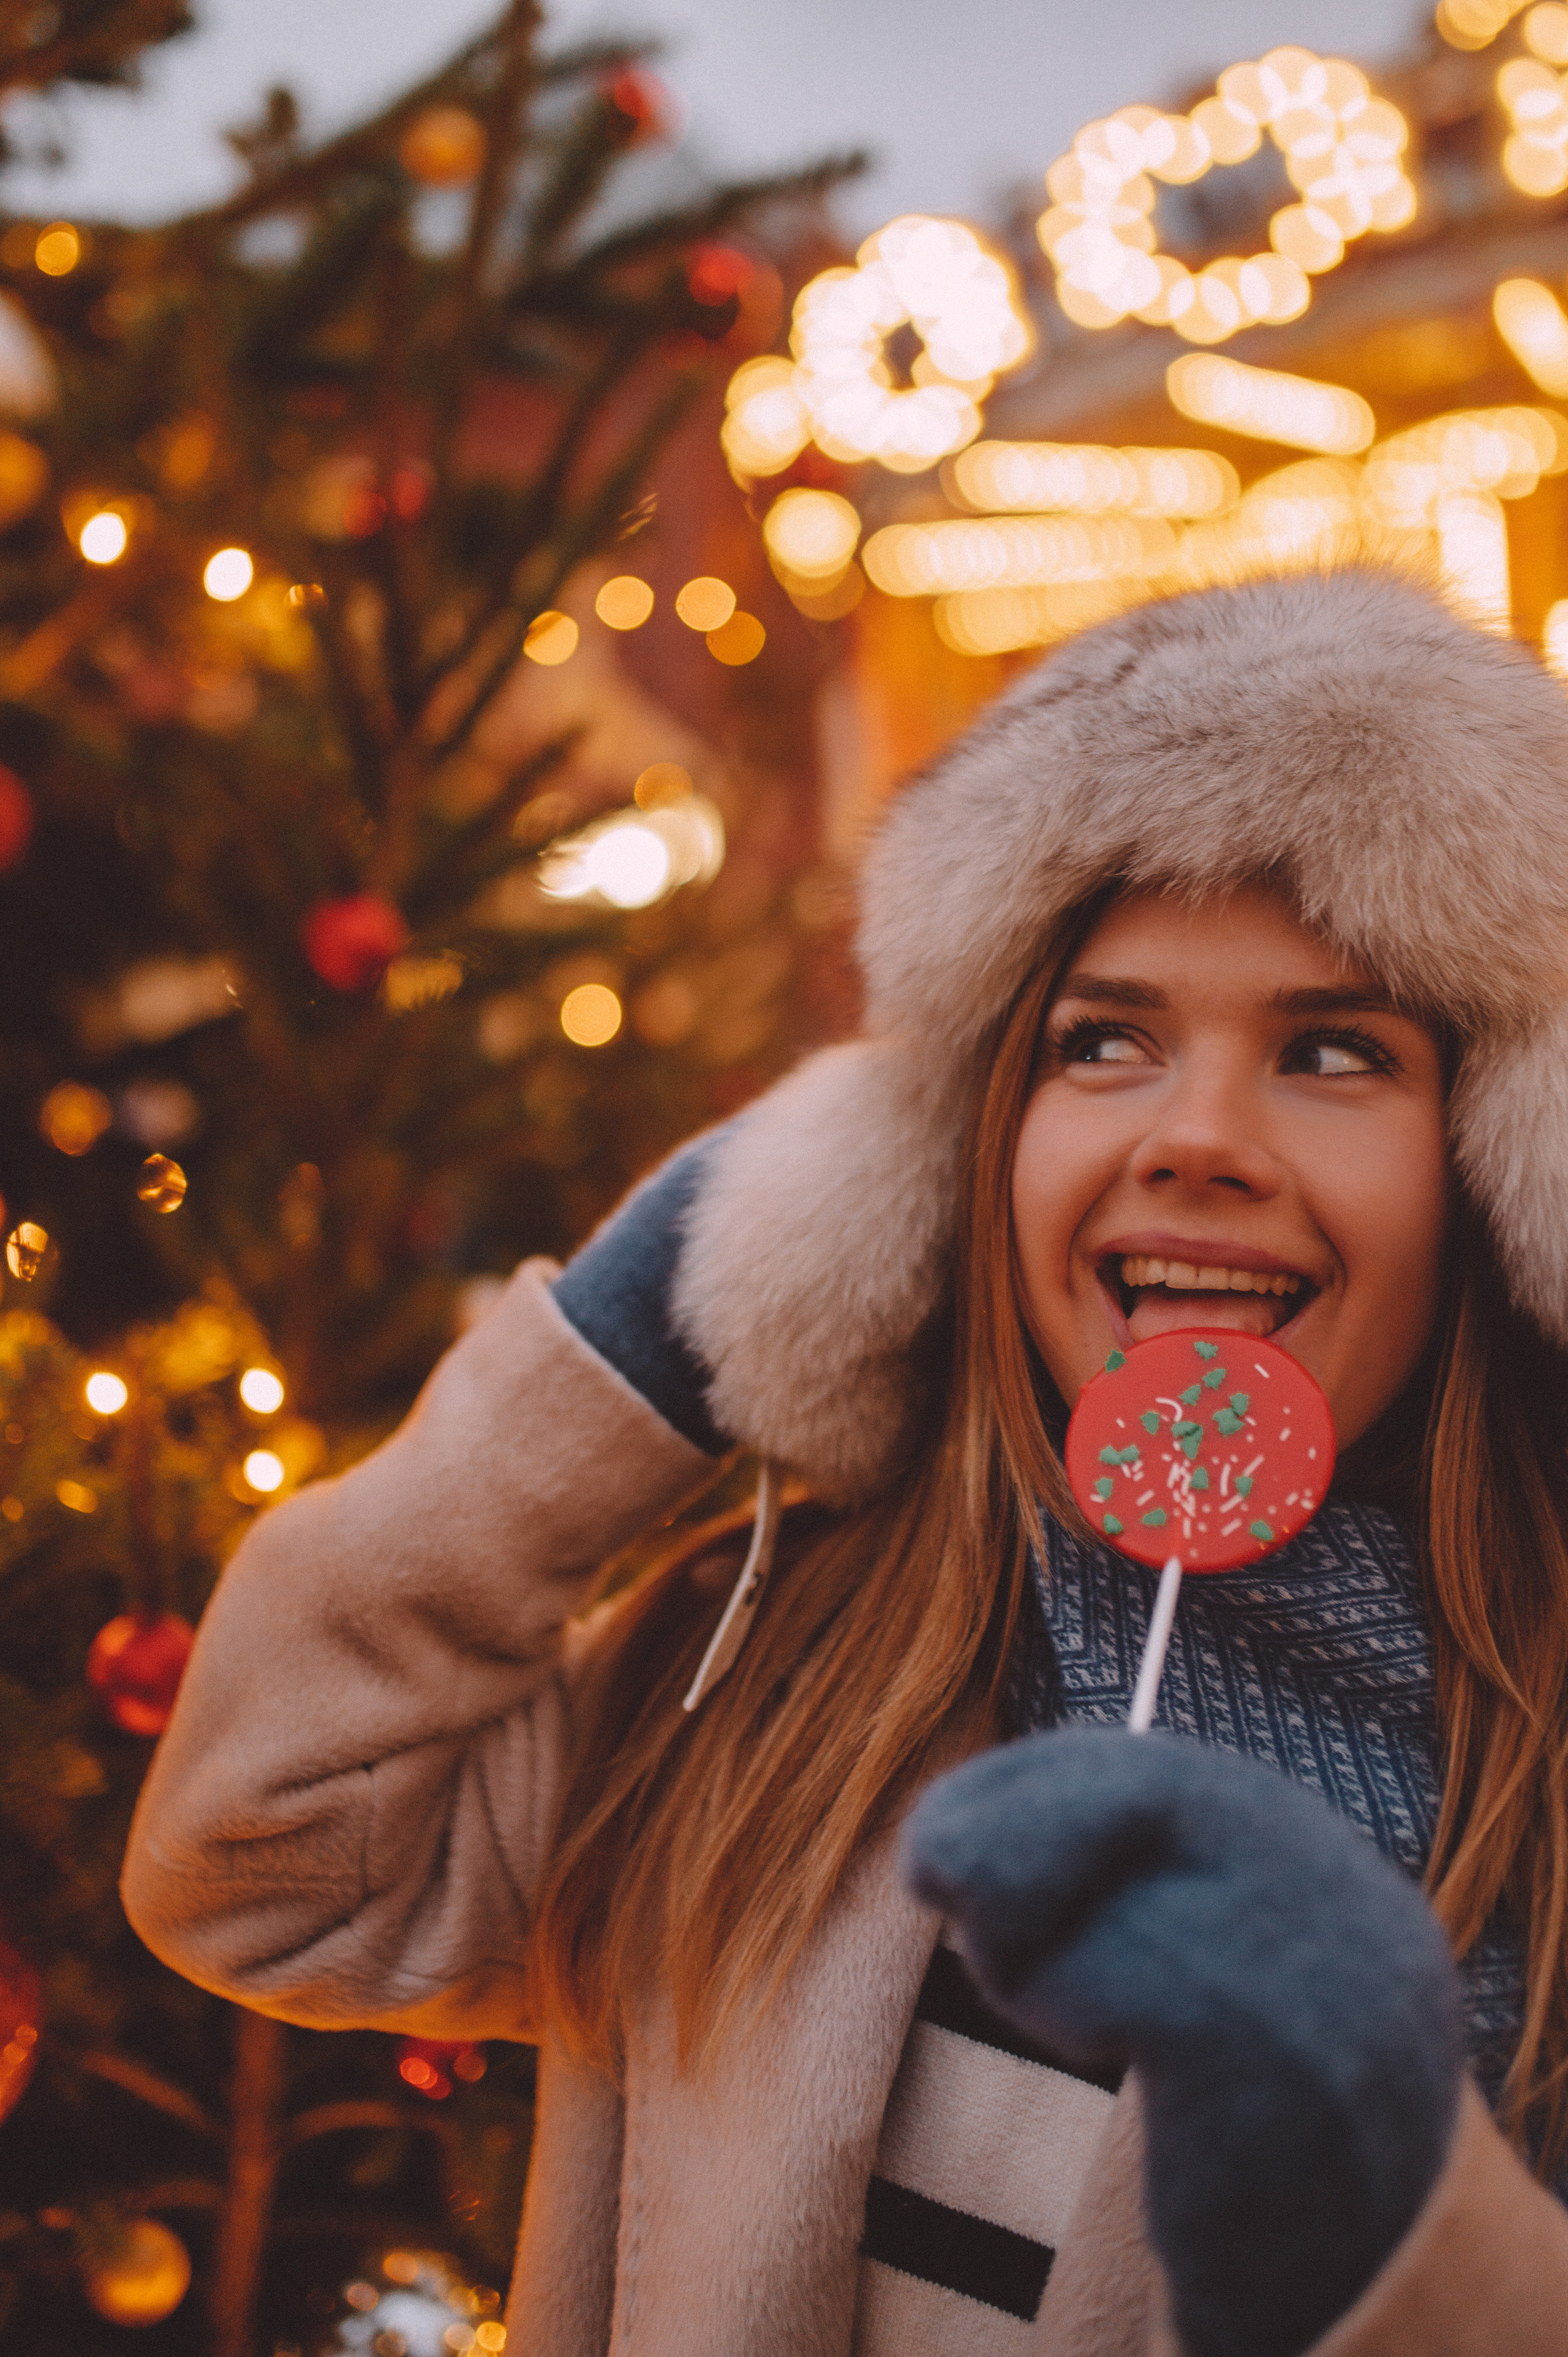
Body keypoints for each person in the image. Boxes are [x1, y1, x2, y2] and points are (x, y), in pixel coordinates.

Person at [123, 569, 1568, 2356]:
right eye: (1099, 1041)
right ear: (960, 1149)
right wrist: (655, 1326)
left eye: (1333, 1051)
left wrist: (1392, 2175)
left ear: (1508, 1179)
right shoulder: (773, 1676)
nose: (1199, 1137)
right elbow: (260, 1862)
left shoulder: (1535, 1782)